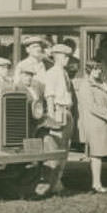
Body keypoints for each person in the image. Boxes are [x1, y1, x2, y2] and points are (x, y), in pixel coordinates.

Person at [75, 60, 107, 193]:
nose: (99, 71)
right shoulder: (86, 86)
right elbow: (92, 107)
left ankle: (97, 183)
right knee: (96, 154)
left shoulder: (99, 84)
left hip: (101, 122)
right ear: (89, 70)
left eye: (99, 69)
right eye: (95, 69)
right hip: (94, 123)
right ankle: (96, 185)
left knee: (98, 154)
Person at [35, 43, 75, 196]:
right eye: (65, 57)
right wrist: (51, 117)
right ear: (57, 57)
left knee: (64, 148)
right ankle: (50, 183)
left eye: (68, 57)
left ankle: (58, 181)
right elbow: (49, 96)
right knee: (55, 148)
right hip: (58, 111)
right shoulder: (52, 73)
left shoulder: (63, 73)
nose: (67, 60)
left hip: (66, 111)